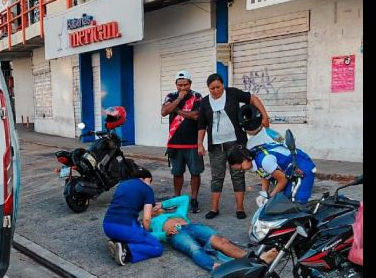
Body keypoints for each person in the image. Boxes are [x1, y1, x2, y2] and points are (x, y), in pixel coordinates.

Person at [197, 73, 270, 220]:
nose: (216, 90)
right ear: (208, 88)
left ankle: (240, 208)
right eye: (212, 88)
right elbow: (201, 125)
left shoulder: (233, 93)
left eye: (218, 87)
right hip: (216, 146)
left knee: (237, 175)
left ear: (223, 85)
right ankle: (214, 208)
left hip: (236, 144)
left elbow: (253, 98)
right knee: (217, 177)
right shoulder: (204, 102)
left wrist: (265, 116)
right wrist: (199, 143)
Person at [147, 195, 278, 271]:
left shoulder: (177, 213)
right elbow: (148, 236)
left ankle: (255, 260)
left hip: (192, 226)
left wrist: (163, 204)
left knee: (221, 241)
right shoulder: (151, 222)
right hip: (176, 233)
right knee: (195, 249)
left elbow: (185, 199)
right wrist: (164, 234)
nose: (155, 208)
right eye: (152, 208)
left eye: (155, 206)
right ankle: (214, 267)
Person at [161, 70, 204, 213]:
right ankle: (177, 198)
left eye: (185, 84)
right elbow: (164, 111)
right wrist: (178, 100)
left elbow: (197, 115)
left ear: (190, 83)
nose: (182, 88)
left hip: (192, 143)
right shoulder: (171, 96)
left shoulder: (197, 97)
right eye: (180, 85)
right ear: (176, 85)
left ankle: (194, 199)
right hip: (175, 143)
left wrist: (178, 111)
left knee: (195, 173)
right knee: (177, 173)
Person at [102, 168, 163, 266]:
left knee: (135, 227)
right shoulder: (147, 189)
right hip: (125, 227)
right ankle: (126, 251)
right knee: (156, 247)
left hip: (107, 226)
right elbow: (146, 219)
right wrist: (146, 233)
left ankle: (116, 242)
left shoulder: (122, 185)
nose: (150, 184)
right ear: (147, 178)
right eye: (150, 181)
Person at [227, 144, 317, 204]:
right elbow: (265, 174)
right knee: (286, 198)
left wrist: (270, 196)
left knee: (299, 199)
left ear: (245, 159)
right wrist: (263, 193)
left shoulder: (265, 161)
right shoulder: (254, 159)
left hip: (302, 166)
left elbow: (283, 180)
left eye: (240, 166)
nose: (239, 169)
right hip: (289, 170)